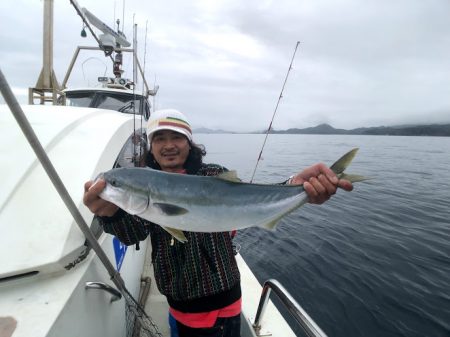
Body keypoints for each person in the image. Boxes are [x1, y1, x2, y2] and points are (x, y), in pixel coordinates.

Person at [83, 109, 353, 337]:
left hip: (222, 299)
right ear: (151, 147)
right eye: (159, 138)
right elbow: (132, 233)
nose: (168, 145)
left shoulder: (213, 174)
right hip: (177, 303)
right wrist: (111, 214)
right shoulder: (145, 187)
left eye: (176, 137)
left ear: (189, 142)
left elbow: (247, 198)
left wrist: (295, 186)